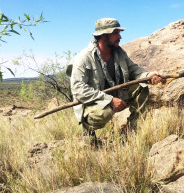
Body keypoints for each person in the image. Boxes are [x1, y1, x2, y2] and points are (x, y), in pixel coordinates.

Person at [66, 18, 162, 146]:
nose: (120, 37)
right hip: (94, 103)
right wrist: (109, 100)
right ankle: (88, 134)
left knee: (141, 88)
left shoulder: (119, 52)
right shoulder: (83, 58)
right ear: (104, 36)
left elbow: (133, 69)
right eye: (115, 33)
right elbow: (78, 89)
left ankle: (129, 135)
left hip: (117, 94)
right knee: (105, 112)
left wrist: (147, 75)